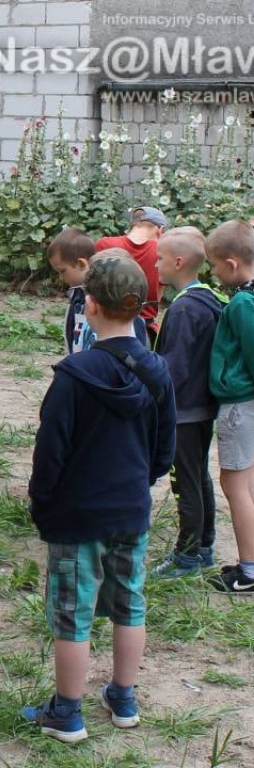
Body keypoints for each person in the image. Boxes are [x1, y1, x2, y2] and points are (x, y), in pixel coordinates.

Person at [24, 253, 176, 742]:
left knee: (73, 613)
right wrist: (140, 483)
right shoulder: (158, 371)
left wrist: (42, 503)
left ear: (89, 305)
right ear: (139, 307)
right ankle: (123, 697)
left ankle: (67, 712)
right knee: (129, 602)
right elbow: (164, 447)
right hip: (130, 508)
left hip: (76, 515)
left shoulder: (73, 375)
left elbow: (51, 451)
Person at [151, 227, 226, 578]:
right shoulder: (206, 299)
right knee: (198, 478)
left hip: (183, 411)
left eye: (160, 258)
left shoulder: (184, 310)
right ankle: (205, 547)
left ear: (178, 262)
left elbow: (174, 369)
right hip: (202, 408)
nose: (155, 264)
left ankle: (187, 556)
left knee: (186, 483)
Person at [205, 220, 254, 594]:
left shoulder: (242, 303)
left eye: (216, 265)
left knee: (234, 483)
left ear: (233, 264)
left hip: (241, 404)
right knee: (246, 483)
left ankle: (249, 572)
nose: (214, 272)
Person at [47, 229, 147, 353]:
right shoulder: (77, 295)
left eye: (62, 271)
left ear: (81, 264)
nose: (61, 278)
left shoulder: (110, 297)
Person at [95, 206, 168, 343]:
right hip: (143, 329)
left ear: (133, 225)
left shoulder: (104, 245)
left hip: (106, 324)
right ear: (160, 230)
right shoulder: (162, 252)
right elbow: (157, 297)